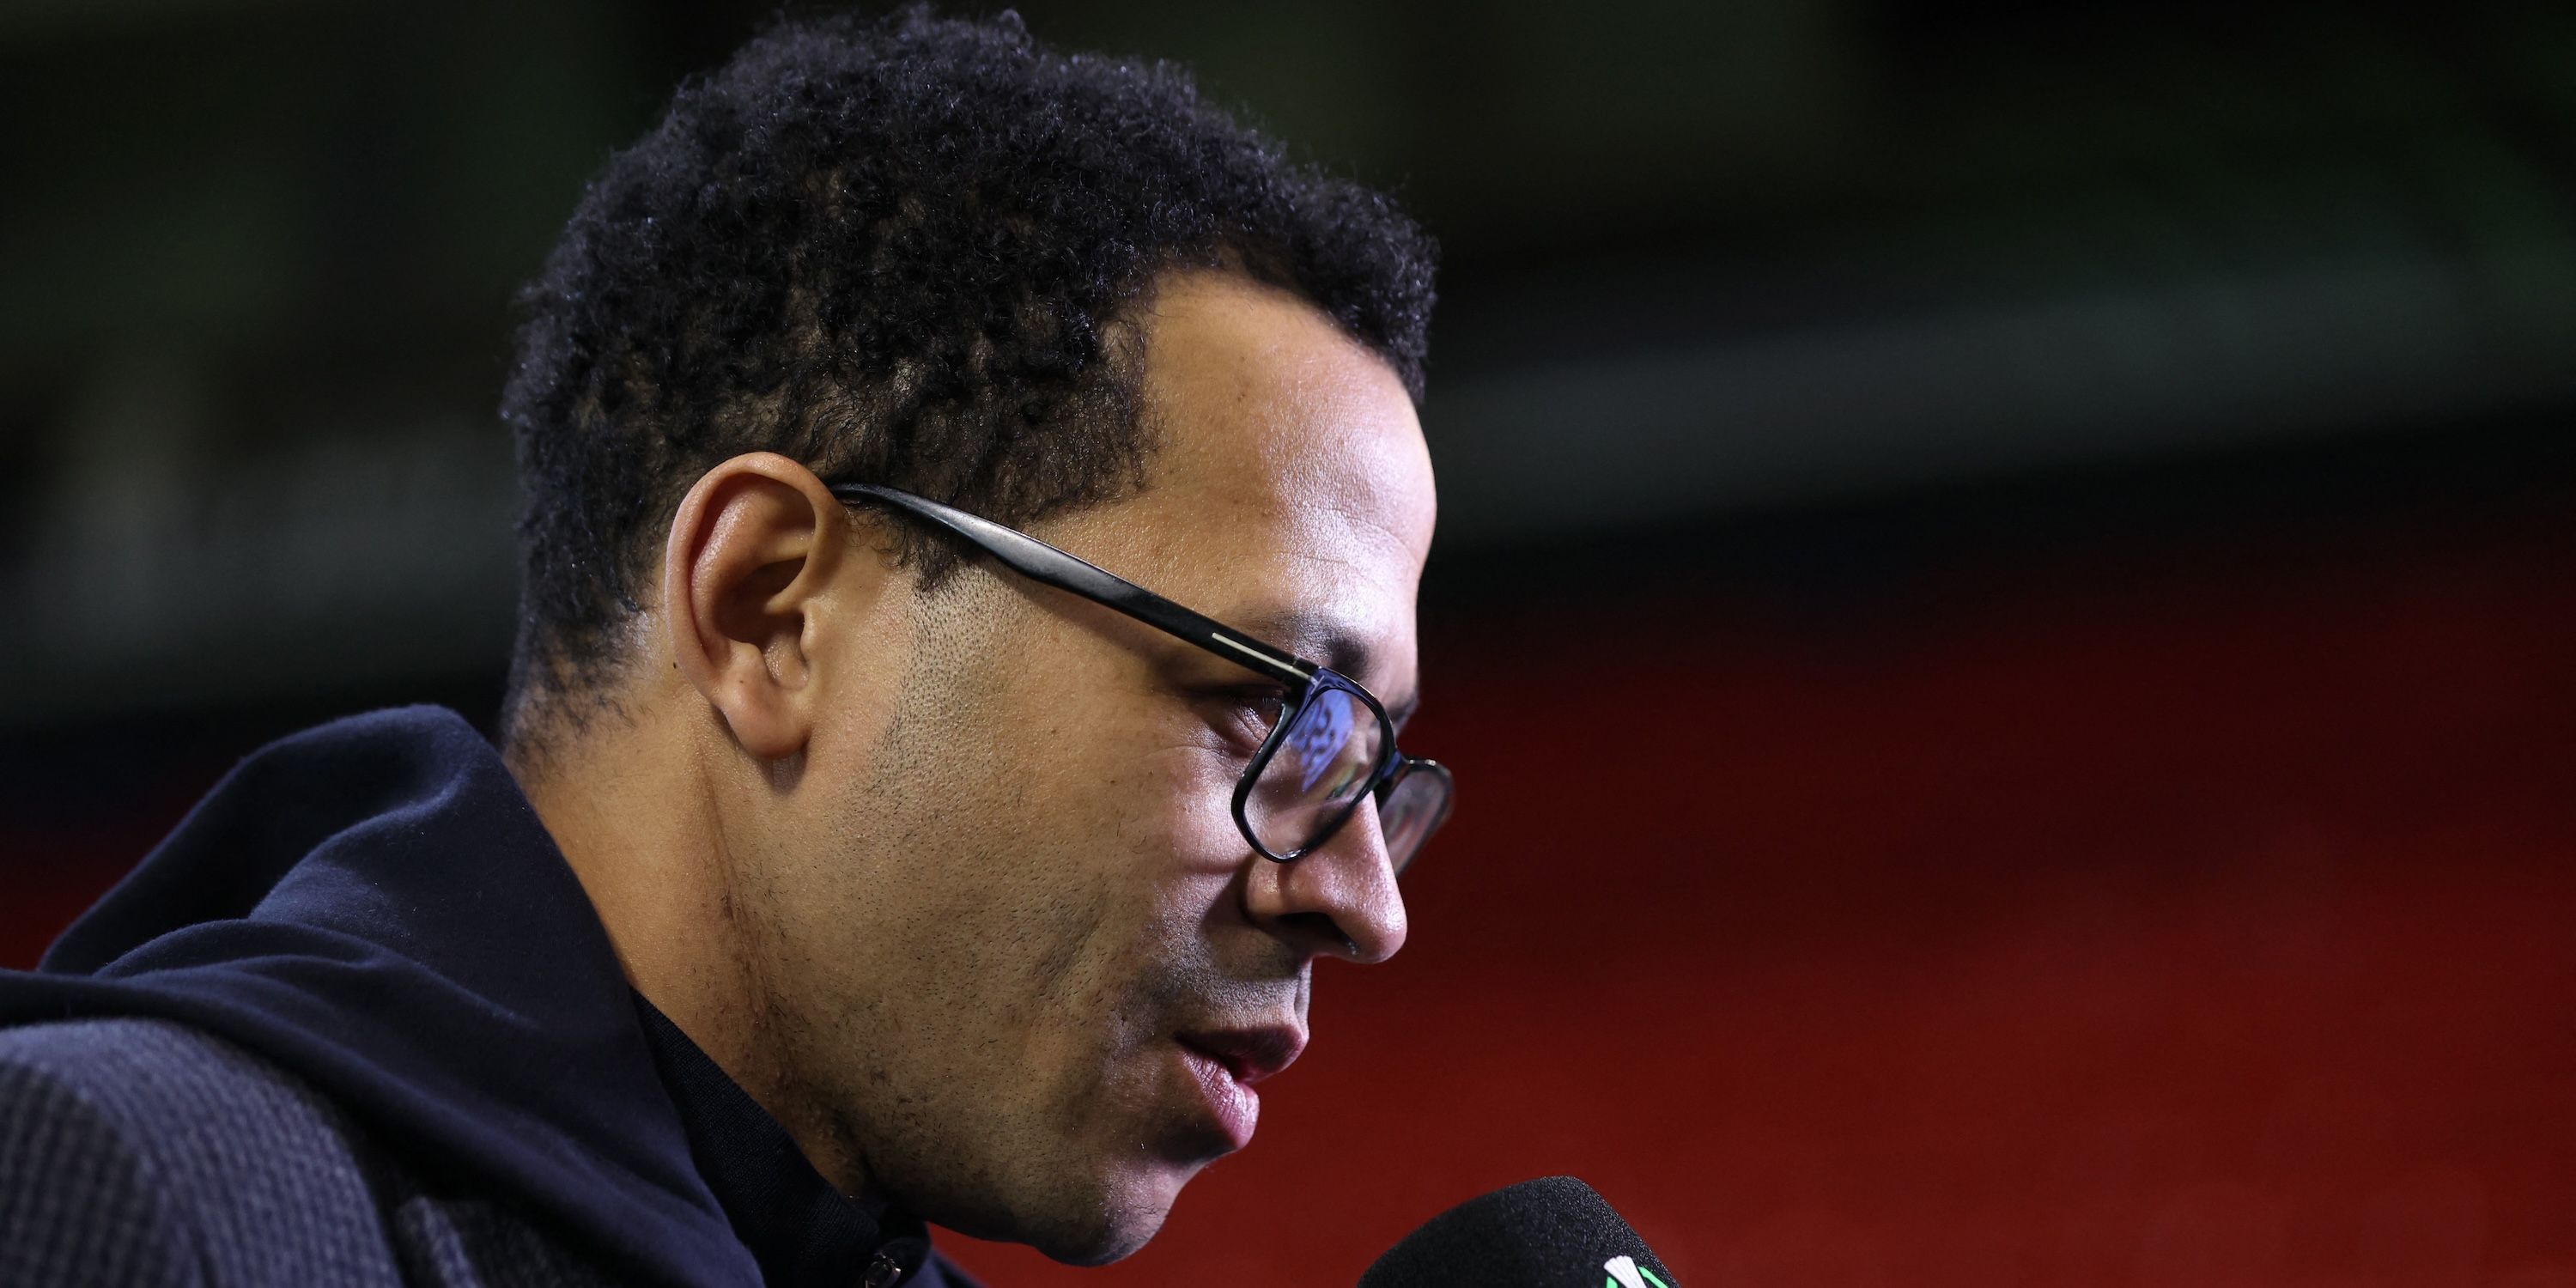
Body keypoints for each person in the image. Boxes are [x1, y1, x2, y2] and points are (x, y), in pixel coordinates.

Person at [0, 8, 1449, 1286]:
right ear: (771, 611)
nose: (1365, 905)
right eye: (1273, 708)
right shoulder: (120, 1192)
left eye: (1371, 772)